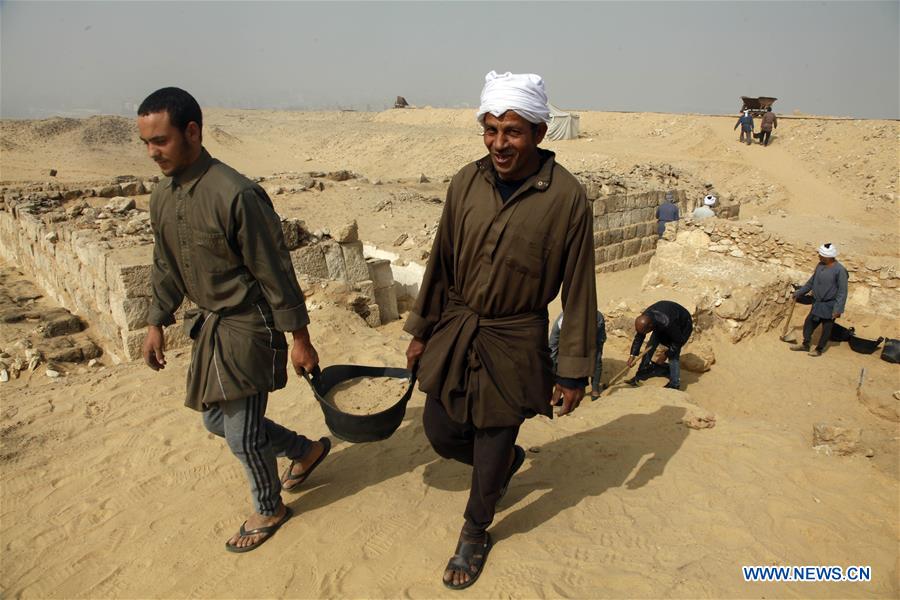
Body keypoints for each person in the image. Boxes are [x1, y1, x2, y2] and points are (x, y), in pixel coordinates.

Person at [404, 71, 597, 590]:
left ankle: (475, 528)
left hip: (515, 338)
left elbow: (579, 288)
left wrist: (573, 371)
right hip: (457, 324)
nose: (499, 143)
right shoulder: (466, 182)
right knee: (441, 429)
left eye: (511, 131)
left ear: (538, 131)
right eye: (490, 130)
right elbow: (441, 262)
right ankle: (505, 463)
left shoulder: (567, 198)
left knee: (494, 433)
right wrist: (421, 330)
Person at [138, 87, 330, 553]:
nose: (152, 152)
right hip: (211, 327)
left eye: (160, 141)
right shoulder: (162, 197)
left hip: (250, 324)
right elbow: (165, 265)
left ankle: (269, 508)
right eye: (146, 142)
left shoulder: (236, 194)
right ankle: (304, 450)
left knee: (242, 432)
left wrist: (300, 338)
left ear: (192, 132)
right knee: (215, 421)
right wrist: (156, 322)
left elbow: (275, 270)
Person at [790, 243, 849, 356]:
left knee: (826, 328)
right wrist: (799, 292)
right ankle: (806, 344)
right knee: (809, 323)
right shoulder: (820, 266)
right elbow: (811, 282)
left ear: (828, 257)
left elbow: (842, 292)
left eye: (821, 255)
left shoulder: (840, 271)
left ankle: (819, 349)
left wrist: (838, 309)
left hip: (830, 305)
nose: (819, 256)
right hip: (817, 303)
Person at [625, 300, 693, 390]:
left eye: (645, 332)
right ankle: (640, 375)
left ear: (650, 327)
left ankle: (674, 383)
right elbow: (639, 337)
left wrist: (666, 354)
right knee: (649, 347)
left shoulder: (667, 323)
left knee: (673, 354)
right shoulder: (645, 318)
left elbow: (678, 341)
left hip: (683, 325)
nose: (643, 334)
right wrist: (632, 355)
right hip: (663, 321)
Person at [551, 310, 606, 399]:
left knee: (596, 356)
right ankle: (556, 382)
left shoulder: (596, 318)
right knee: (556, 355)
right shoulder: (561, 321)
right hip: (572, 332)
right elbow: (553, 345)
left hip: (593, 329)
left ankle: (594, 389)